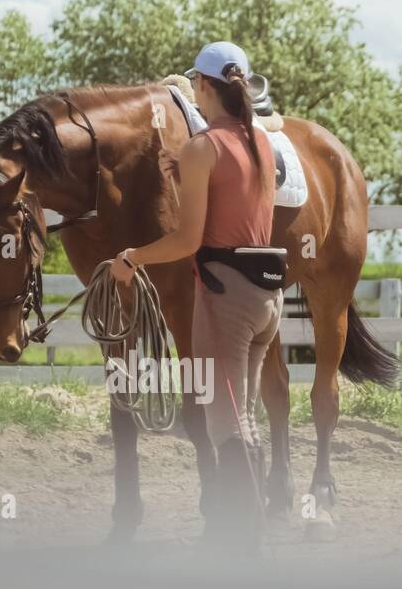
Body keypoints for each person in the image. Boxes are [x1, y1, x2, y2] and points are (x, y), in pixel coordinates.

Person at [110, 41, 285, 545]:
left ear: (203, 86)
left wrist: (131, 259)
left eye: (199, 88)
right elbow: (234, 203)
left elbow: (188, 241)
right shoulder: (260, 141)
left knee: (225, 428)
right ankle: (245, 537)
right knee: (244, 419)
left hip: (224, 300)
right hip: (265, 298)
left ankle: (239, 546)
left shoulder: (203, 147)